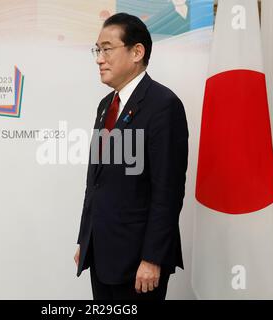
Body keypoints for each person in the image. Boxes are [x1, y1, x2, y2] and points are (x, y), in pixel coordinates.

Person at [74, 12, 189, 300]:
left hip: (138, 261)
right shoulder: (106, 105)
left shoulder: (164, 105)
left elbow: (168, 191)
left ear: (137, 51)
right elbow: (97, 180)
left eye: (107, 49)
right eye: (97, 50)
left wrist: (152, 257)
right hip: (101, 252)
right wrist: (86, 239)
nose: (99, 58)